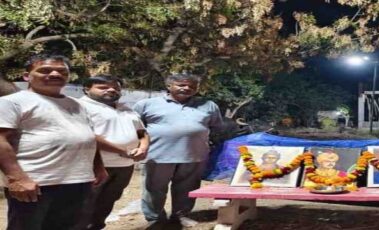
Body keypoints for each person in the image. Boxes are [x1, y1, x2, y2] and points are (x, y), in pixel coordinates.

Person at [0, 54, 108, 230]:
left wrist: (98, 166)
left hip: (78, 180)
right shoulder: (12, 102)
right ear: (27, 76)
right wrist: (17, 178)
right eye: (45, 70)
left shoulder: (77, 105)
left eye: (62, 71)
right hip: (36, 182)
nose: (55, 74)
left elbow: (87, 137)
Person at [133, 73, 223, 228]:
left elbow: (217, 128)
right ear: (169, 86)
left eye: (191, 86)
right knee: (154, 189)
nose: (186, 88)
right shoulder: (147, 104)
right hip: (158, 155)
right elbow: (136, 127)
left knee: (187, 188)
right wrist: (140, 146)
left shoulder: (208, 105)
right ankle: (155, 218)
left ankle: (180, 215)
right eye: (181, 85)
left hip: (194, 155)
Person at [75, 75, 151, 230]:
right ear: (87, 89)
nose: (111, 90)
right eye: (103, 87)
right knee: (83, 205)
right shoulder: (79, 107)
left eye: (116, 88)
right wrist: (122, 150)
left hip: (125, 165)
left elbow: (141, 132)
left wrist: (143, 148)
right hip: (95, 165)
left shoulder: (125, 108)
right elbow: (87, 136)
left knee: (107, 202)